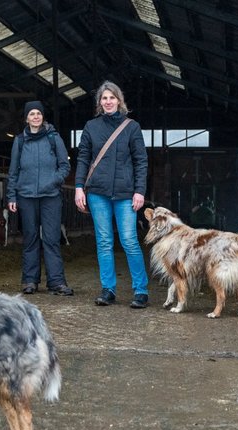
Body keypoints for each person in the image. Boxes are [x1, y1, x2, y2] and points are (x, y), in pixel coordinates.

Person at [74, 80, 150, 308]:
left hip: (126, 193)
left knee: (129, 240)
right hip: (98, 192)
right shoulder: (91, 127)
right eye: (104, 98)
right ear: (100, 102)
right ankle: (108, 289)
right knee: (104, 241)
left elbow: (141, 161)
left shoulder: (132, 127)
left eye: (112, 97)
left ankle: (141, 290)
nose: (108, 102)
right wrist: (79, 187)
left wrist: (140, 191)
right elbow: (83, 158)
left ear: (119, 100)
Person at [6, 100, 74, 296]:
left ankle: (56, 281)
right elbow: (13, 171)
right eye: (32, 114)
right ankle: (29, 280)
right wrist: (11, 195)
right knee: (30, 238)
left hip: (50, 196)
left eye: (39, 113)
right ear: (26, 118)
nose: (35, 117)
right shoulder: (19, 141)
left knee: (52, 238)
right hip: (26, 195)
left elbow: (65, 166)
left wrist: (54, 181)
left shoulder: (54, 138)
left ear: (43, 117)